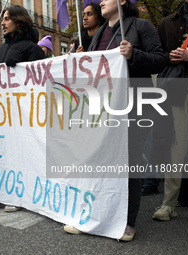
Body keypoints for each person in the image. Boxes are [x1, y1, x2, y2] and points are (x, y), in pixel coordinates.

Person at [63, 0, 165, 241]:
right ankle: (95, 216)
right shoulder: (99, 33)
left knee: (129, 161)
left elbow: (160, 60)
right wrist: (82, 59)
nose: (100, 1)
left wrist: (134, 53)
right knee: (99, 159)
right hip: (104, 106)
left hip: (133, 104)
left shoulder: (140, 26)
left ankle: (127, 222)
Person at [0, 4, 45, 212]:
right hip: (0, 114)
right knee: (0, 154)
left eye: (6, 19)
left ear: (19, 21)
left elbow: (40, 82)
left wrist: (22, 70)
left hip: (22, 114)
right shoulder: (1, 49)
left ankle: (19, 194)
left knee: (19, 153)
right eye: (2, 19)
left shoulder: (33, 49)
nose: (2, 23)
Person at [152, 0, 188, 221]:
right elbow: (156, 56)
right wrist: (169, 57)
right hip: (178, 91)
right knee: (177, 148)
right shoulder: (167, 23)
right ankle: (168, 204)